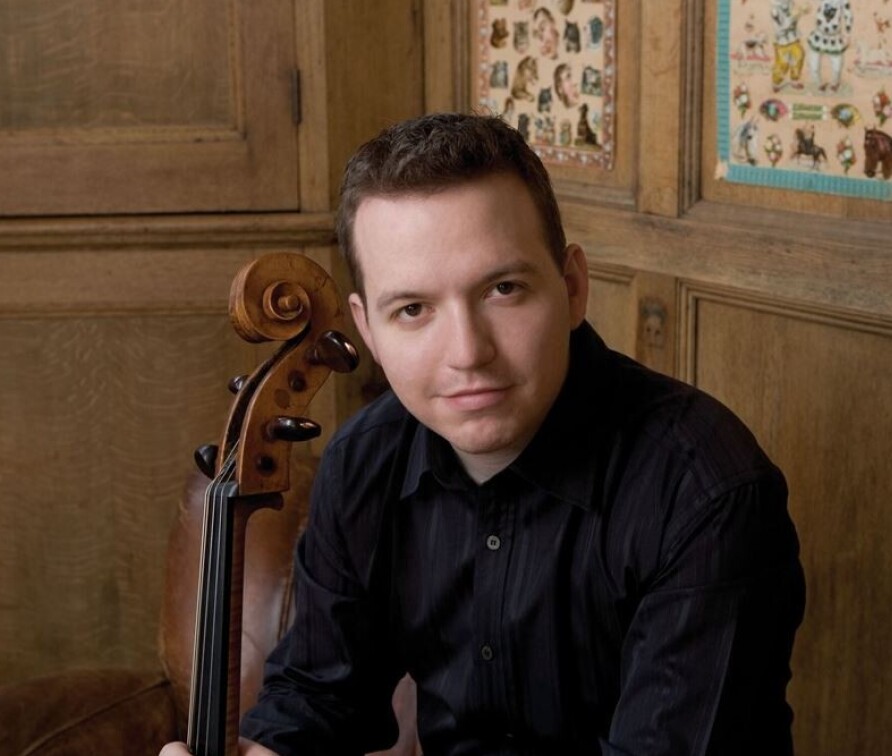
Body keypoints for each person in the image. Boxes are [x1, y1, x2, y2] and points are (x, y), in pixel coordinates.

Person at [162, 113, 805, 755]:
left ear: (572, 288)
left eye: (503, 289)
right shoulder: (364, 462)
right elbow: (319, 691)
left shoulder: (704, 493)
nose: (467, 353)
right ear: (369, 331)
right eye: (413, 309)